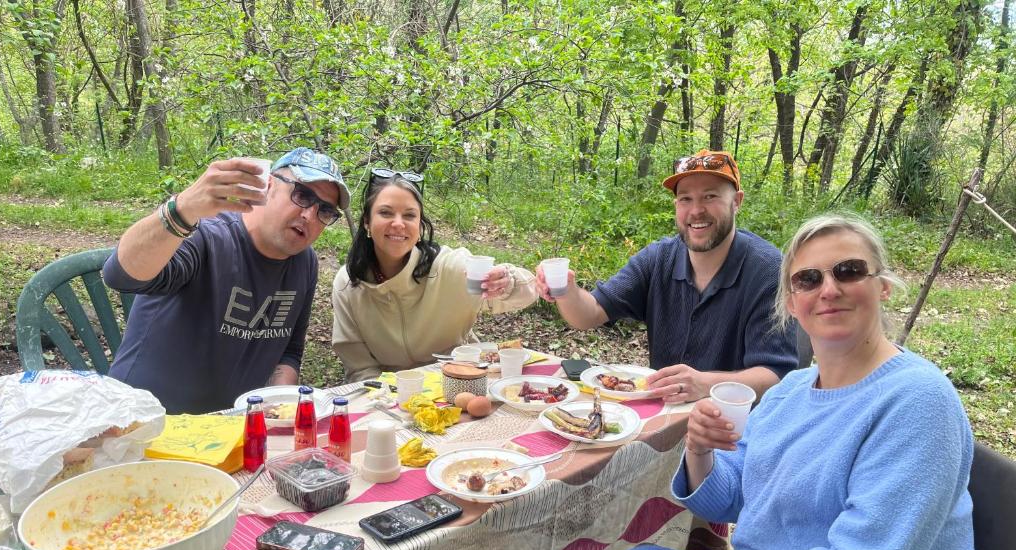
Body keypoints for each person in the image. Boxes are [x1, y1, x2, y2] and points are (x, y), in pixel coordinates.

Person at [475, 214, 987, 550]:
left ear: (881, 287)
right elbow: (729, 498)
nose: (829, 289)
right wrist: (699, 452)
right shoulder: (791, 392)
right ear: (790, 303)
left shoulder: (916, 401)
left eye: (848, 271)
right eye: (808, 279)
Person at [537, 150, 797, 403]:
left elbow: (777, 375)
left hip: (734, 424)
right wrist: (566, 290)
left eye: (710, 196)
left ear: (736, 201)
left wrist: (705, 384)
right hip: (663, 414)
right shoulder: (658, 259)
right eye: (685, 199)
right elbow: (588, 314)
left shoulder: (767, 270)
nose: (696, 210)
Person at [103, 148, 349, 414]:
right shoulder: (206, 235)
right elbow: (120, 275)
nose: (309, 215)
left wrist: (280, 406)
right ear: (268, 186)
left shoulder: (304, 262)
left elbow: (289, 352)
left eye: (325, 210)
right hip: (142, 420)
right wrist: (181, 210)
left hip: (232, 427)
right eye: (302, 195)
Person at [332, 169, 537, 382]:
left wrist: (507, 282)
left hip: (460, 381)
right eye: (386, 213)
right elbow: (360, 369)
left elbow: (528, 293)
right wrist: (390, 394)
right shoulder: (348, 284)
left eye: (409, 215)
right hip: (391, 392)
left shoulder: (449, 267)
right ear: (367, 221)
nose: (398, 223)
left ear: (420, 226)